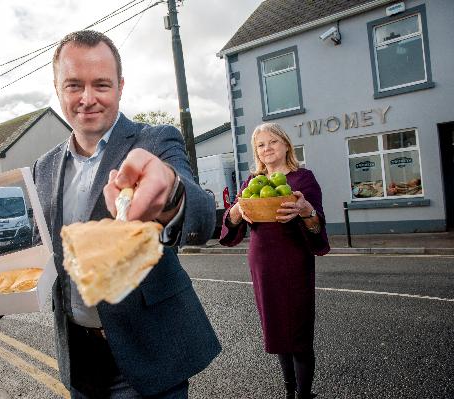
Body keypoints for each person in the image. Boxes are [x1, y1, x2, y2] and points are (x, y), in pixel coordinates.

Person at [31, 30, 221, 399]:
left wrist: (173, 194)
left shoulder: (155, 140)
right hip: (79, 358)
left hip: (148, 351)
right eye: (73, 85)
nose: (87, 99)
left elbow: (200, 214)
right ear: (57, 89)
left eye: (101, 85)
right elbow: (45, 248)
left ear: (119, 86)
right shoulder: (43, 166)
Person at [219, 123, 330, 399]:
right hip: (262, 262)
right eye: (261, 145)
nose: (267, 148)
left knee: (299, 331)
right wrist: (234, 213)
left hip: (293, 260)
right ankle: (289, 392)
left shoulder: (302, 179)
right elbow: (233, 222)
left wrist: (306, 210)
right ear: (257, 152)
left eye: (273, 142)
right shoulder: (250, 183)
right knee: (278, 329)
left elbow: (317, 224)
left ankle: (304, 394)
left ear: (285, 145)